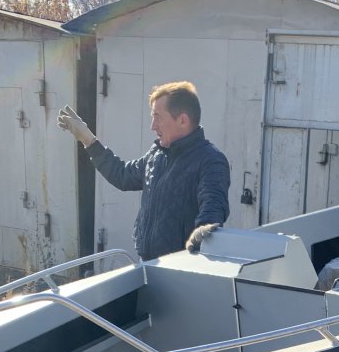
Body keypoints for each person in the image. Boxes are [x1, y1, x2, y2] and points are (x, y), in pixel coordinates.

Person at [57, 82, 230, 258]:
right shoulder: (157, 154)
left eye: (157, 117)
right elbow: (122, 175)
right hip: (147, 264)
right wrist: (88, 139)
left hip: (181, 268)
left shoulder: (211, 160)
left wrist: (205, 230)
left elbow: (213, 208)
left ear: (182, 120)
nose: (152, 126)